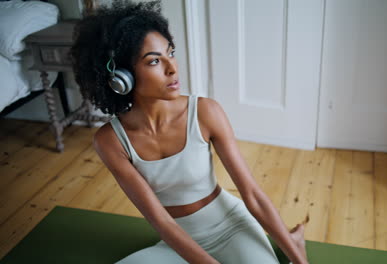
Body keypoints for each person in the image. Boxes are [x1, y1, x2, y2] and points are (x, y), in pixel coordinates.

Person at [70, 0, 309, 263]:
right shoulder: (110, 141)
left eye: (170, 53)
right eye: (153, 61)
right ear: (121, 77)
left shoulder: (205, 112)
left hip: (233, 228)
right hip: (176, 240)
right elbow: (161, 221)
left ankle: (293, 245)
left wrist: (300, 261)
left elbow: (251, 193)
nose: (172, 68)